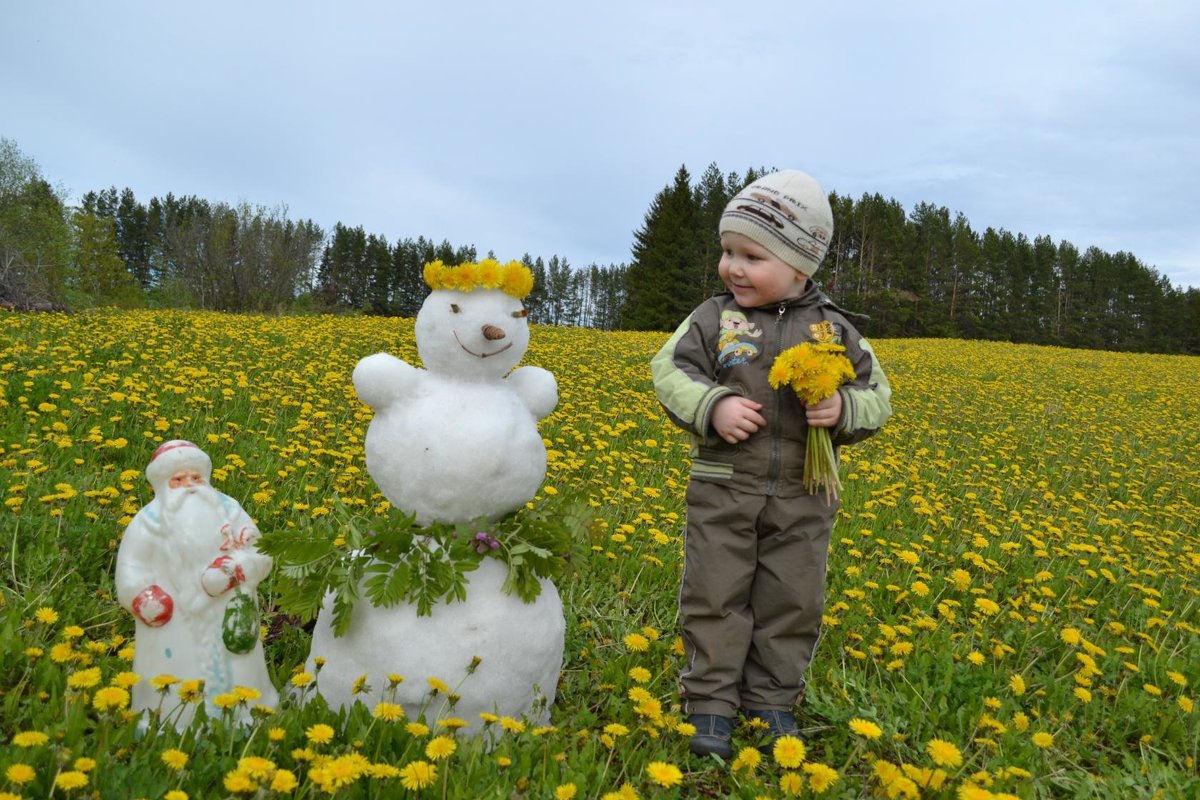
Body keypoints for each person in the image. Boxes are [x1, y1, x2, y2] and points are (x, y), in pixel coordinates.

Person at [651, 169, 892, 758]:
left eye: (752, 256)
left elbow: (879, 397)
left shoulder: (836, 330)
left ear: (800, 266)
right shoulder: (712, 319)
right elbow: (668, 372)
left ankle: (771, 702)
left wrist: (842, 409)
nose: (733, 267)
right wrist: (714, 405)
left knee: (792, 598)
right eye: (727, 251)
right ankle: (709, 703)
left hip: (805, 494)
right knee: (714, 593)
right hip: (723, 487)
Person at [115, 439, 277, 728]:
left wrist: (236, 570)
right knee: (175, 680)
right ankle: (171, 722)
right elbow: (131, 566)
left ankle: (248, 715)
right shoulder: (147, 523)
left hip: (230, 615)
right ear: (163, 483)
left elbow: (260, 551)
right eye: (178, 479)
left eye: (195, 477)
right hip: (172, 628)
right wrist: (143, 596)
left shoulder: (231, 512)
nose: (190, 484)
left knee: (239, 670)